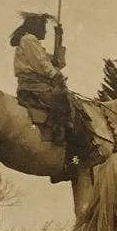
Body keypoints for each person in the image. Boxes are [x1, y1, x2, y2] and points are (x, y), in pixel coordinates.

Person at [12, 11, 104, 179]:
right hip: (35, 85)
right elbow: (42, 65)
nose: (45, 32)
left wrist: (58, 39)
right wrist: (56, 76)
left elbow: (57, 63)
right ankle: (71, 145)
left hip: (38, 84)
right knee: (68, 103)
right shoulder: (29, 40)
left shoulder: (32, 42)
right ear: (37, 27)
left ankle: (67, 155)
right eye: (44, 28)